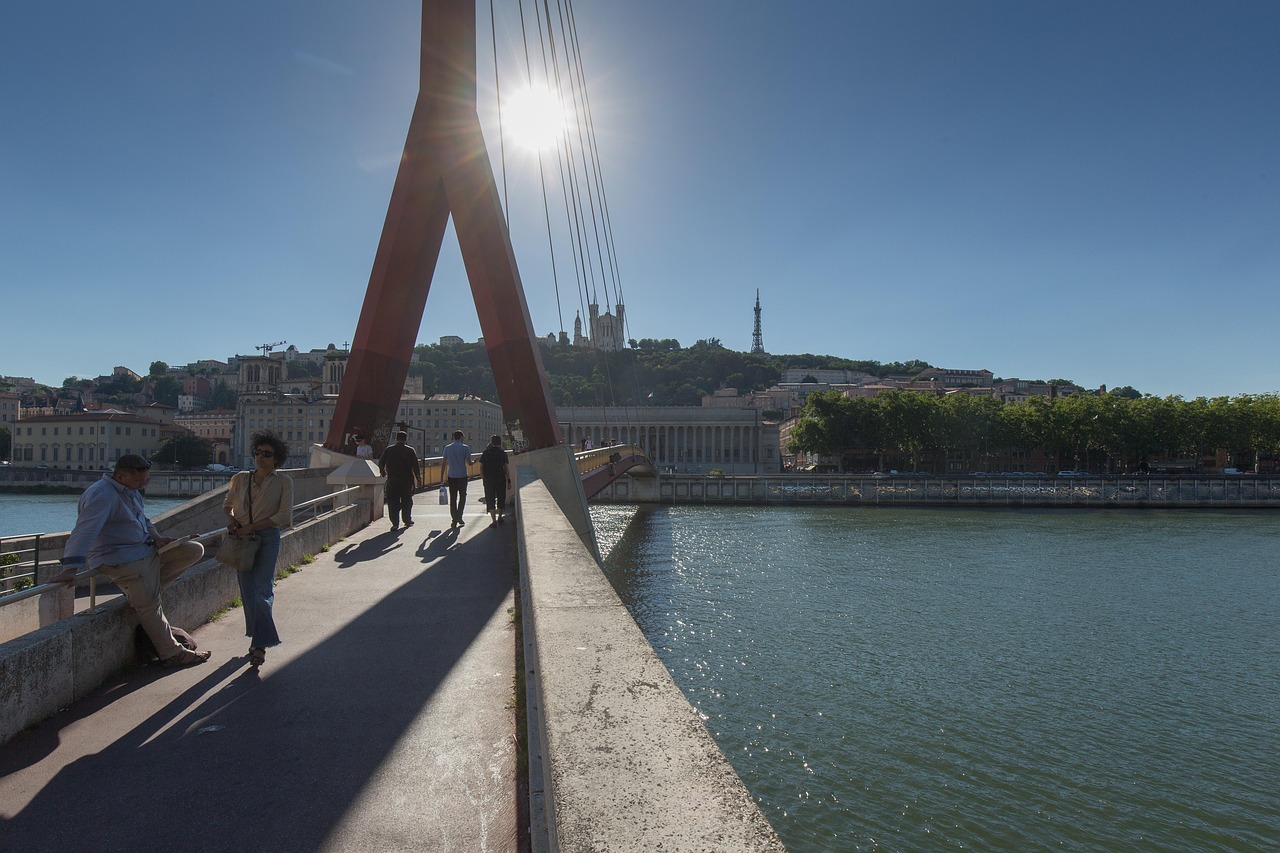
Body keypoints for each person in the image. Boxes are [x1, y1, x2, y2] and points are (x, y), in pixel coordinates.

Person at [52, 454, 210, 667]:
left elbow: (143, 520)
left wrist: (157, 539)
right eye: (139, 480)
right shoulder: (102, 494)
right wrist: (71, 568)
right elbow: (84, 531)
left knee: (192, 550)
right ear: (120, 475)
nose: (143, 484)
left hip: (143, 552)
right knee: (150, 605)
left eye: (146, 479)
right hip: (121, 559)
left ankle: (142, 596)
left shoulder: (130, 490)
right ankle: (172, 653)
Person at [223, 431, 294, 669]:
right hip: (242, 539)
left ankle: (260, 645)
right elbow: (227, 506)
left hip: (267, 538)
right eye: (257, 453)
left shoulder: (284, 482)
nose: (260, 457)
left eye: (267, 454)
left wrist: (250, 527)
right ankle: (257, 640)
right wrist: (233, 522)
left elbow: (283, 516)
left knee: (263, 590)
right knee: (247, 591)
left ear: (276, 459)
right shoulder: (241, 479)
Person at [379, 430, 422, 529]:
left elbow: (381, 462)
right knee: (407, 500)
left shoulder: (389, 449)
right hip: (406, 481)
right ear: (406, 439)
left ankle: (395, 523)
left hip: (392, 480)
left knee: (393, 501)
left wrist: (382, 471)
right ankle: (407, 519)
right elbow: (415, 466)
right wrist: (418, 478)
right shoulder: (410, 450)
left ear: (396, 439)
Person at [441, 430, 472, 527]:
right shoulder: (465, 448)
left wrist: (442, 477)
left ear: (454, 437)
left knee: (453, 497)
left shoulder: (447, 448)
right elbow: (469, 463)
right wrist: (475, 461)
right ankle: (460, 516)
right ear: (461, 437)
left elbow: (443, 463)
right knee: (462, 496)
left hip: (452, 475)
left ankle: (454, 518)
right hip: (462, 475)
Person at [479, 435, 511, 526]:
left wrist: (483, 478)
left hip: (488, 479)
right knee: (501, 497)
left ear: (491, 442)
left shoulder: (486, 453)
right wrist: (509, 480)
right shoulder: (502, 453)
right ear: (500, 443)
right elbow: (506, 467)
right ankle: (500, 517)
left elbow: (481, 468)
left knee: (490, 499)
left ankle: (493, 521)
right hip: (500, 478)